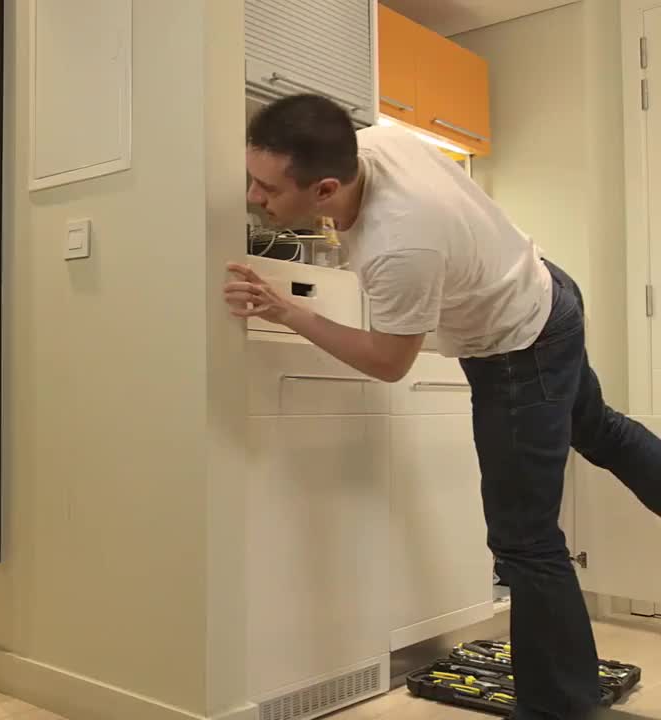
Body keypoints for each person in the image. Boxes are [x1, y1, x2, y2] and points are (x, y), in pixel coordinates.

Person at [226, 94, 661, 719]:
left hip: (518, 346)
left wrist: (288, 311)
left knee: (524, 539)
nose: (253, 196)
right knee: (600, 430)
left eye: (267, 188)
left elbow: (389, 361)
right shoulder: (375, 143)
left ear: (324, 189)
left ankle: (559, 709)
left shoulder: (398, 245)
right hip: (544, 290)